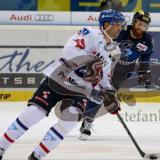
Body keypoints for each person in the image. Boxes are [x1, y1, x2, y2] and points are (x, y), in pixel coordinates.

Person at [0, 9, 125, 160]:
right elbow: (69, 50)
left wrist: (109, 92)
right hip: (60, 78)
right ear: (106, 24)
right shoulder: (89, 33)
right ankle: (1, 148)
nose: (120, 27)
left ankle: (36, 157)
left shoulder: (114, 50)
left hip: (81, 89)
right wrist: (88, 64)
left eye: (121, 24)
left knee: (69, 121)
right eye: (117, 24)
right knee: (34, 113)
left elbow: (104, 74)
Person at [79, 10, 154, 140]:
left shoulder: (147, 41)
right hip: (107, 65)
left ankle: (87, 117)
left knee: (106, 97)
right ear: (134, 21)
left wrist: (144, 72)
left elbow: (145, 57)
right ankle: (87, 122)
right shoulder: (120, 31)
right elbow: (101, 42)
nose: (141, 28)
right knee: (98, 94)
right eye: (139, 24)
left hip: (123, 71)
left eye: (144, 26)